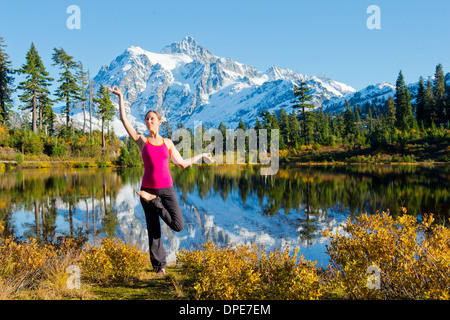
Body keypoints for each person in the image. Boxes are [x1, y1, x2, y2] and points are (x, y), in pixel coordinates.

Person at [106, 85, 215, 276]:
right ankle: (159, 267)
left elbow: (181, 163)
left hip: (166, 190)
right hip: (147, 188)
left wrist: (201, 155)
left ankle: (153, 201)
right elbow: (124, 120)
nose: (149, 122)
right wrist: (121, 96)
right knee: (153, 230)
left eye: (152, 119)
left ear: (159, 122)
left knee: (178, 225)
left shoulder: (168, 143)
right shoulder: (142, 140)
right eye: (147, 119)